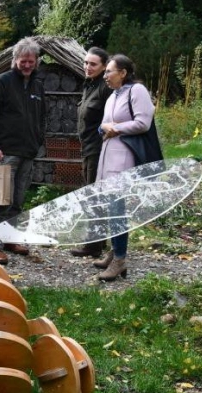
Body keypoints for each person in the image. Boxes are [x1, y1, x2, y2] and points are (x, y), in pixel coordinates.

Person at [94, 54, 155, 281]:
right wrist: (105, 128)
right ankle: (114, 251)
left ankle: (120, 260)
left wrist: (116, 128)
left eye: (109, 71)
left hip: (125, 157)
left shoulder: (136, 91)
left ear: (123, 73)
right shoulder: (112, 96)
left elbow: (143, 123)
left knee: (118, 207)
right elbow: (102, 125)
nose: (106, 75)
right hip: (108, 155)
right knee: (112, 207)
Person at [0, 37, 46, 263]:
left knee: (18, 200)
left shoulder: (38, 85)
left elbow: (42, 116)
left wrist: (38, 140)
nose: (27, 65)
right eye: (23, 61)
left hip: (28, 151)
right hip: (6, 151)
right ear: (15, 60)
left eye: (31, 61)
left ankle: (10, 238)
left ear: (36, 61)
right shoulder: (3, 82)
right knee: (2, 200)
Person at [70, 47, 112, 258]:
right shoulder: (89, 86)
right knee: (90, 193)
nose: (87, 67)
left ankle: (94, 244)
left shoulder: (106, 88)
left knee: (94, 195)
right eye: (86, 63)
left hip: (98, 148)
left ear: (104, 66)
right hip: (86, 147)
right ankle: (96, 242)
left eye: (93, 64)